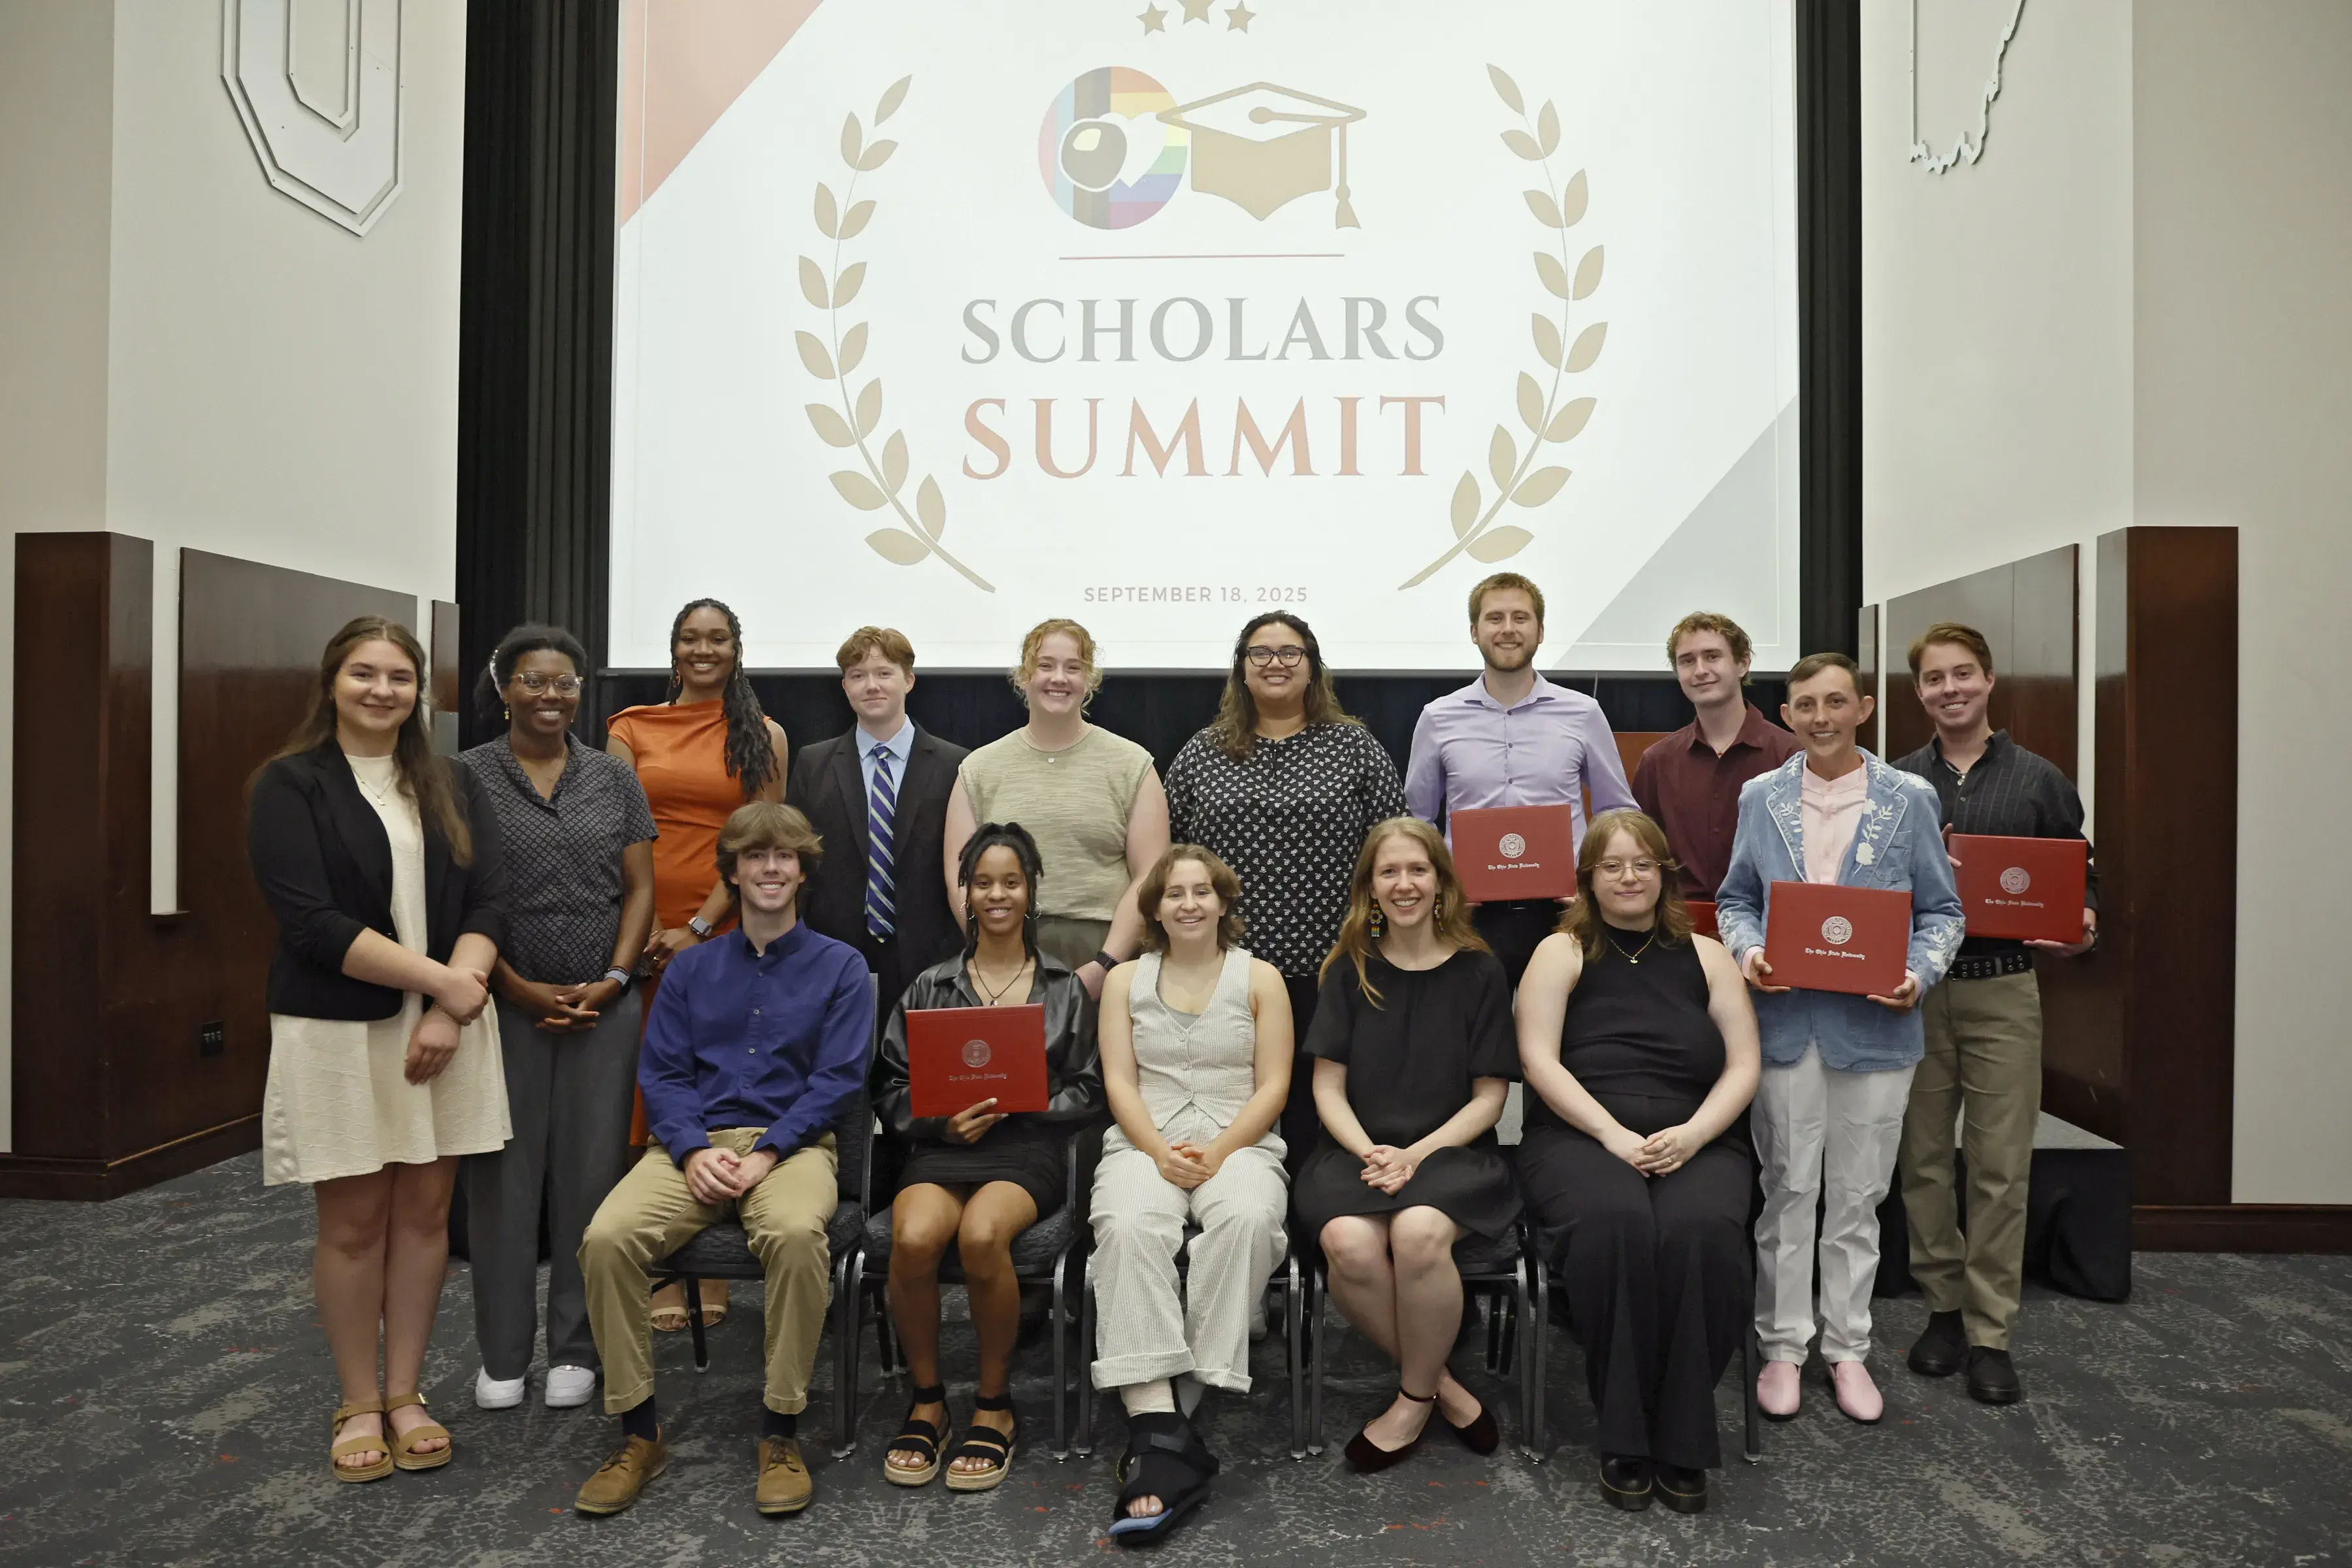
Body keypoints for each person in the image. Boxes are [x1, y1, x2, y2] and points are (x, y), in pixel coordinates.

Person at [246, 615, 509, 1482]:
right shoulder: (289, 786)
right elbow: (314, 925)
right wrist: (439, 986)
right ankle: (358, 1400)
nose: (382, 690)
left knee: (427, 1216)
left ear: (420, 692)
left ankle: (406, 1393)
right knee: (355, 1223)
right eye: (364, 674)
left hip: (446, 1026)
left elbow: (488, 905)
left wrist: (452, 1004)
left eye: (400, 676)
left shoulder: (450, 783)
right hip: (342, 1029)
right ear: (332, 683)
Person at [571, 803, 872, 1518]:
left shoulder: (841, 966)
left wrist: (768, 1152)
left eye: (785, 857)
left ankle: (780, 1432)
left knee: (799, 1238)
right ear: (732, 872)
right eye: (755, 856)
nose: (771, 869)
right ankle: (639, 1435)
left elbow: (839, 1080)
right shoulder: (690, 969)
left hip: (792, 1146)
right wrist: (692, 1148)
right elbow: (664, 1074)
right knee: (606, 1240)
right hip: (692, 1145)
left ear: (803, 872)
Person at [1715, 652, 1965, 1425]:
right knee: (1788, 1190)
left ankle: (1847, 1347)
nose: (1819, 719)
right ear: (1785, 716)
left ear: (1862, 707)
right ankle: (1784, 1346)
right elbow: (1736, 900)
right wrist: (1749, 955)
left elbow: (1942, 913)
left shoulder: (1909, 796)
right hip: (1787, 1027)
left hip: (1876, 1027)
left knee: (1859, 1197)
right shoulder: (1761, 797)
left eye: (1833, 704)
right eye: (1803, 707)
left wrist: (1918, 976)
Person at [1514, 810, 1761, 1514]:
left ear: (1664, 875)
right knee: (1615, 1224)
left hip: (1698, 1131)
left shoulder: (1708, 955)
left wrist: (1697, 1133)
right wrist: (1614, 1136)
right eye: (1612, 865)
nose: (1629, 877)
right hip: (1579, 1133)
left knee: (1703, 1236)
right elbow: (1538, 1061)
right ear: (1588, 879)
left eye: (1643, 864)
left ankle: (1682, 1436)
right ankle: (1625, 1433)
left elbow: (1745, 1064)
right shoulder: (1559, 952)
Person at [1892, 623, 2097, 1406]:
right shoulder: (1898, 782)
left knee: (2003, 1165)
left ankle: (1990, 1333)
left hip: (2005, 987)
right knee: (1923, 1161)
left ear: (1988, 680)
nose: (1950, 689)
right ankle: (1942, 1308)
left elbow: (2083, 881)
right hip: (1915, 992)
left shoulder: (2041, 779)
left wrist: (2082, 926)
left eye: (1963, 674)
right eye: (1935, 678)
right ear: (1919, 693)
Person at [460, 625, 659, 1414]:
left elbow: (639, 889)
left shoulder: (614, 778)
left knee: (590, 1179)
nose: (552, 696)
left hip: (606, 1008)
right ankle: (504, 1355)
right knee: (502, 1183)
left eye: (566, 683)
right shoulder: (464, 775)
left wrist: (614, 978)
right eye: (535, 682)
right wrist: (514, 985)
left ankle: (577, 1350)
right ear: (505, 687)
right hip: (502, 1005)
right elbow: (459, 898)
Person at [874, 822, 1105, 1492]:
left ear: (1031, 892)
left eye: (1011, 881)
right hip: (945, 1148)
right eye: (983, 882)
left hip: (1028, 1151)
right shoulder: (929, 985)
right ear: (965, 894)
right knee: (913, 1237)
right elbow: (889, 1086)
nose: (997, 894)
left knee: (981, 1235)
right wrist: (942, 1124)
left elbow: (1089, 1088)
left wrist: (1027, 1104)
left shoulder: (1064, 986)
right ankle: (926, 1400)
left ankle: (994, 1405)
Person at [1294, 817, 1519, 1472]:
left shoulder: (1480, 970)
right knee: (1347, 1242)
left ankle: (1411, 1398)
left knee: (1418, 1233)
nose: (1404, 884)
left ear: (1442, 881)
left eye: (1417, 870)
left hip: (1450, 1155)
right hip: (1356, 1151)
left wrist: (1415, 1155)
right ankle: (1444, 1389)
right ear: (1370, 887)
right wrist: (1373, 1152)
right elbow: (1327, 1090)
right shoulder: (1348, 969)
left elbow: (1490, 1098)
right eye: (1388, 872)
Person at [1088, 845, 1293, 1542]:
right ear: (1154, 908)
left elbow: (1274, 1085)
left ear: (1223, 902)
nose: (1189, 904)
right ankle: (1165, 1432)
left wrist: (1221, 1150)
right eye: (1174, 894)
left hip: (1239, 1140)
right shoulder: (1125, 982)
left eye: (1202, 892)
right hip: (1146, 1139)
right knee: (1125, 1225)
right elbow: (1119, 1081)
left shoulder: (1260, 977)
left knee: (1246, 1217)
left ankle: (1166, 1427)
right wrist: (1155, 1151)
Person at [607, 596, 790, 1331]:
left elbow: (765, 840)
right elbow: (615, 834)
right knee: (653, 1093)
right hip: (637, 928)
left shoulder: (764, 734)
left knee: (720, 1088)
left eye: (718, 639)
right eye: (691, 638)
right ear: (674, 648)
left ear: (735, 650)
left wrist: (701, 924)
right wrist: (646, 929)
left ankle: (713, 1270)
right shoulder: (630, 729)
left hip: (726, 929)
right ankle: (664, 1263)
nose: (703, 650)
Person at [1163, 613, 1403, 1166]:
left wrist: (1379, 943)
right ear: (1241, 671)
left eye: (1291, 653)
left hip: (1338, 969)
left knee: (1321, 1116)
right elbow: (1170, 861)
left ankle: (1316, 1225)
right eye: (1261, 654)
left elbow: (1393, 853)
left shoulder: (1354, 747)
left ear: (1314, 668)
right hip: (1225, 977)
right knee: (1240, 1113)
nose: (1276, 663)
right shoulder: (1203, 752)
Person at [1405, 572, 1636, 987]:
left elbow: (1616, 811)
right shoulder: (1437, 718)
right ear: (1474, 632)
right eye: (1495, 618)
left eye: (1520, 618)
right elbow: (1417, 823)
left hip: (1567, 914)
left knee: (1566, 1038)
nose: (1508, 629)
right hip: (1469, 917)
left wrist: (1598, 881)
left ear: (1540, 631)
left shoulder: (1583, 713)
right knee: (1478, 1041)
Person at [945, 619, 1168, 996]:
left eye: (1074, 667)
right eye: (1045, 665)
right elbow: (960, 875)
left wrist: (1106, 965)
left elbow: (1150, 875)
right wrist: (993, 954)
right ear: (1023, 677)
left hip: (1107, 952)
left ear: (1090, 680)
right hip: (1004, 949)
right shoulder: (979, 769)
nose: (1059, 678)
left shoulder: (1133, 765)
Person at [785, 626, 968, 1013]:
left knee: (924, 1072)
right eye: (857, 675)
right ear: (845, 686)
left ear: (909, 680)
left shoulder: (957, 764)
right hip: (833, 954)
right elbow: (795, 860)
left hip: (933, 958)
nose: (871, 685)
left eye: (884, 673)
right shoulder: (813, 763)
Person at [1631, 612, 1801, 902]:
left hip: (1766, 926)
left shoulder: (1791, 756)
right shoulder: (1657, 761)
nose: (1700, 670)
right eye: (1687, 661)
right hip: (1678, 929)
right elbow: (1641, 853)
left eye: (1712, 656)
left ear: (1743, 663)